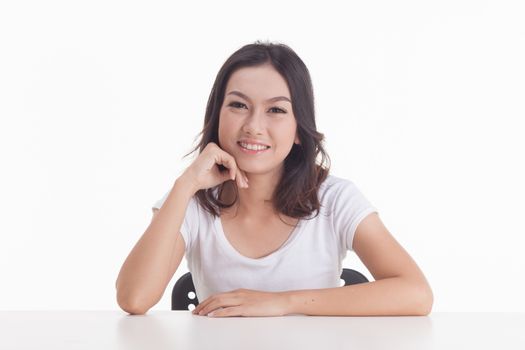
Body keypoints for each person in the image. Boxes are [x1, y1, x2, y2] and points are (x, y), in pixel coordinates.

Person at [115, 41, 433, 317]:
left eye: (276, 111)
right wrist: (185, 185)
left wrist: (280, 303)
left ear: (299, 129)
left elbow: (416, 294)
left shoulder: (336, 200)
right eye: (238, 105)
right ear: (217, 116)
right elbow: (134, 298)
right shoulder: (192, 201)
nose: (254, 126)